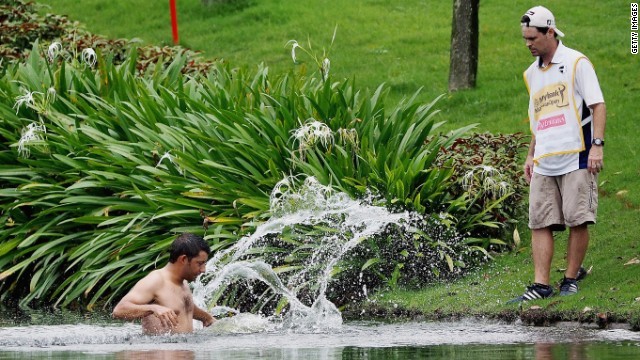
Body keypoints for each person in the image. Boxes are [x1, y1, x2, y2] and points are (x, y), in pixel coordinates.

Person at [510, 6, 606, 302]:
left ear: (549, 32)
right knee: (539, 221)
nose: (528, 44)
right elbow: (537, 120)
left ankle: (570, 278)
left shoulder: (577, 62)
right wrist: (530, 155)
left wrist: (597, 145)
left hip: (577, 154)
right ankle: (540, 286)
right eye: (525, 39)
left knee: (578, 219)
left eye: (532, 38)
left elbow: (597, 105)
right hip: (544, 159)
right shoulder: (531, 74)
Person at [112, 233, 215, 334]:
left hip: (185, 347)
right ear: (183, 259)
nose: (203, 270)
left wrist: (206, 318)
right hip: (159, 349)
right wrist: (153, 308)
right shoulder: (155, 281)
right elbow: (119, 310)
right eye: (200, 263)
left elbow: (183, 307)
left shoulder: (183, 282)